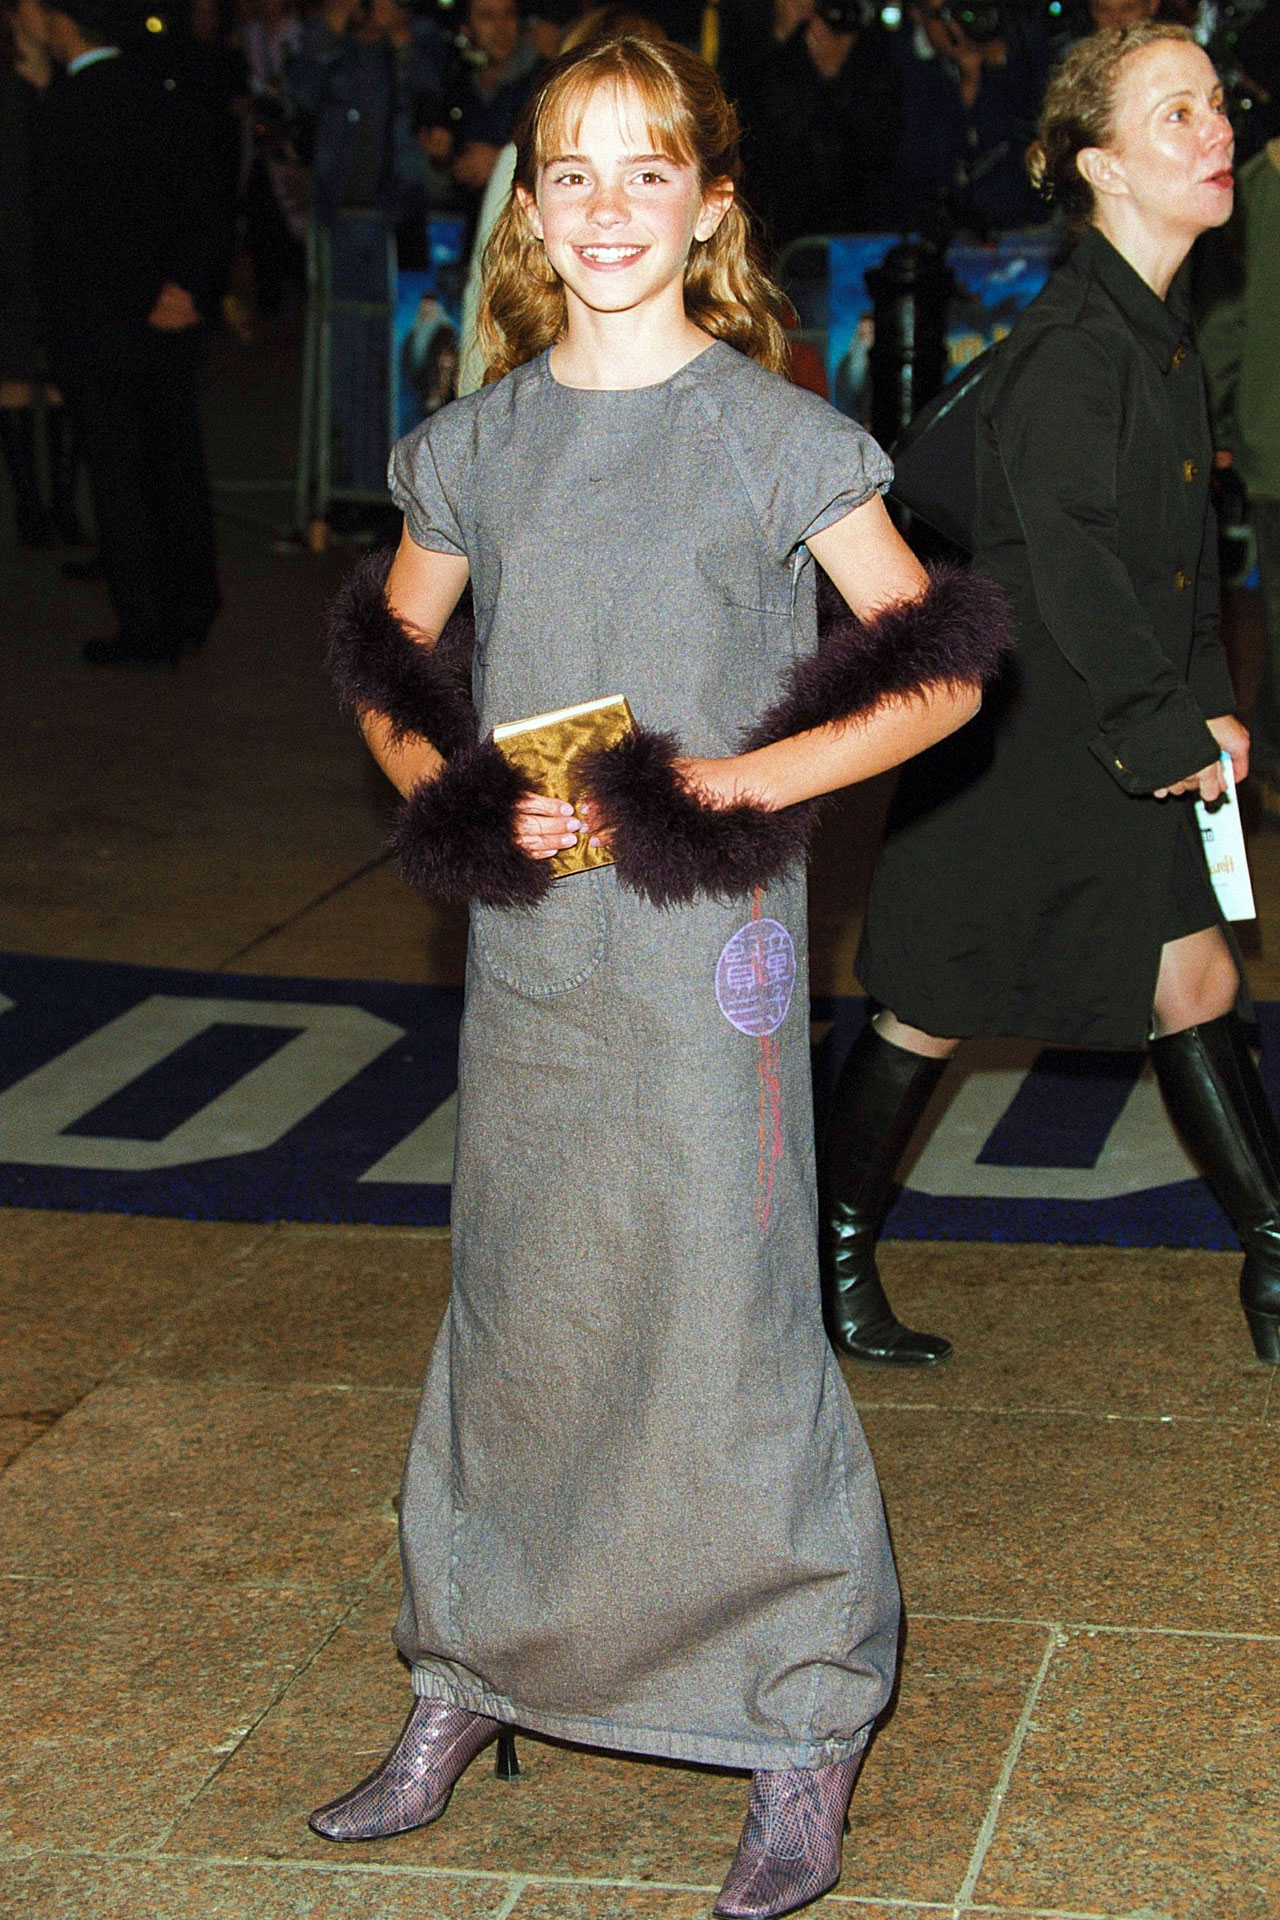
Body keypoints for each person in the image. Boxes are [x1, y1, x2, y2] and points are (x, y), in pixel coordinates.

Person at [314, 30, 1005, 1918]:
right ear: (531, 212)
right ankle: (473, 1663)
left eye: (648, 170)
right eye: (573, 172)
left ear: (710, 207)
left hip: (715, 949)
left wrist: (745, 782)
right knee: (519, 1288)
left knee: (724, 1307)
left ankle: (799, 1715)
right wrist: (459, 794)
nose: (608, 206)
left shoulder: (777, 436)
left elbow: (942, 664)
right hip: (537, 940)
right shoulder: (476, 444)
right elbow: (389, 663)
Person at [835, 23, 1280, 1372]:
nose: (1216, 129)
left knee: (1194, 978)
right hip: (1028, 743)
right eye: (1173, 114)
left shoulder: (1154, 335)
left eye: (1215, 103)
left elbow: (1172, 567)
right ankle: (826, 1255)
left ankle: (1275, 1259)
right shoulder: (1075, 348)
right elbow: (1073, 571)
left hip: (1114, 722)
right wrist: (1161, 725)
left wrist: (1205, 706)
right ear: (1100, 165)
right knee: (931, 998)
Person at [17, 0, 223, 666]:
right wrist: (187, 287)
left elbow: (74, 228)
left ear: (62, 22)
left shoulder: (64, 110)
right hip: (172, 314)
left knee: (120, 473)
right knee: (175, 457)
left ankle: (146, 625)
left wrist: (139, 294)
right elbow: (206, 192)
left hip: (102, 319)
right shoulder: (162, 91)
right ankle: (192, 601)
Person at [1199, 136, 1280, 825]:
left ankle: (1273, 759)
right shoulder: (1251, 187)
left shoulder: (1252, 186)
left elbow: (1229, 320)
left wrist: (1219, 420)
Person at [736, 0, 901, 252]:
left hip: (858, 224)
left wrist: (836, 75)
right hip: (782, 221)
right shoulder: (766, 47)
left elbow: (879, 147)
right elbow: (755, 127)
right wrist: (781, 37)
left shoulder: (875, 54)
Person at [886, 0, 1051, 236]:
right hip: (934, 228)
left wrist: (1003, 66)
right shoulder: (899, 68)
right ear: (917, 14)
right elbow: (922, 163)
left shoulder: (1016, 51)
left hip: (1017, 227)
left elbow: (1034, 136)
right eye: (941, 15)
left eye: (962, 11)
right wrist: (968, 85)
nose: (955, 25)